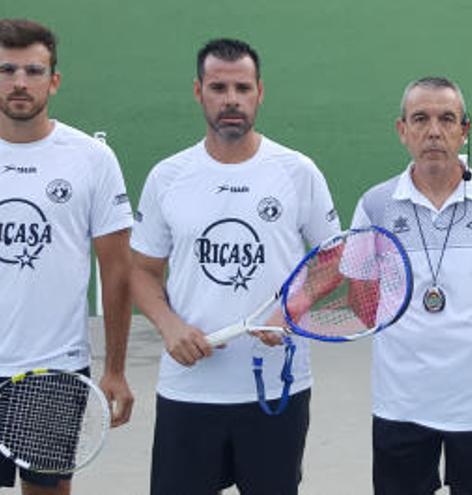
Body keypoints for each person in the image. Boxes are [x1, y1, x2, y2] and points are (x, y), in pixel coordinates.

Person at [130, 38, 340, 494]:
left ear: (260, 92)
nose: (231, 100)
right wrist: (169, 326)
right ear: (198, 92)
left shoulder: (296, 171)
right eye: (218, 87)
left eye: (242, 88)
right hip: (189, 391)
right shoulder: (168, 176)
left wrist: (290, 310)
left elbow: (333, 260)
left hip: (275, 391)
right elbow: (142, 272)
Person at [350, 76, 472, 494]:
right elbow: (362, 299)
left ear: (464, 129)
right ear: (402, 130)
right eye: (421, 119)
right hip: (401, 405)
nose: (434, 130)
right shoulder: (374, 205)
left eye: (447, 118)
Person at [0, 18, 134, 495]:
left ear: (53, 81)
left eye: (33, 71)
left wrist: (115, 367)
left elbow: (117, 269)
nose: (19, 82)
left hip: (54, 368)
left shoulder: (91, 159)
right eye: (7, 69)